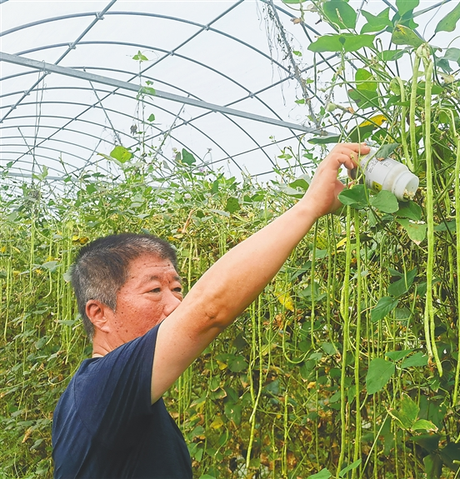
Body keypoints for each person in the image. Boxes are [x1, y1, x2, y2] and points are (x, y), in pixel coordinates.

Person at [51, 143, 370, 478]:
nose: (176, 305)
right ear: (98, 313)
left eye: (176, 288)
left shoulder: (94, 398)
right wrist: (308, 207)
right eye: (155, 290)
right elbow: (208, 309)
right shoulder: (103, 387)